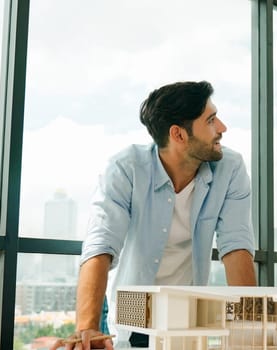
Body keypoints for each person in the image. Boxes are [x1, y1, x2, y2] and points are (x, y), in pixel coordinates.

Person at [51, 81, 256, 350]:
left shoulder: (230, 168)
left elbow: (236, 246)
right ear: (179, 135)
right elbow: (101, 245)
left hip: (190, 311)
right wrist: (87, 327)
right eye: (211, 120)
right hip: (134, 311)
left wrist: (253, 327)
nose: (222, 128)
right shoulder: (126, 168)